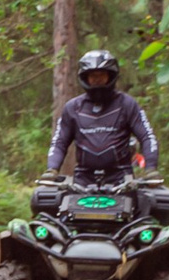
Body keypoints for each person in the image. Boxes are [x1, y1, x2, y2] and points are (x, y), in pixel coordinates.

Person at [46, 49, 159, 182]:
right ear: (85, 77)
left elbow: (147, 136)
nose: (97, 79)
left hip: (122, 179)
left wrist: (151, 169)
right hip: (83, 180)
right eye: (93, 76)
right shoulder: (72, 108)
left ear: (110, 76)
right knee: (45, 199)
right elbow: (59, 142)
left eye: (101, 75)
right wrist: (52, 169)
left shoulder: (127, 104)